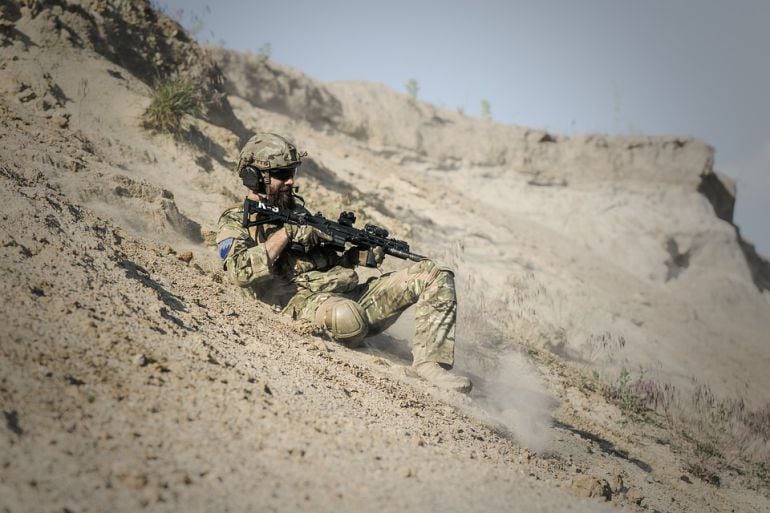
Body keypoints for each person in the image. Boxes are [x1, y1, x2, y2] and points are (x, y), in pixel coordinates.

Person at [216, 132, 472, 393]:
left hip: (348, 295)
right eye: (282, 174)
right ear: (254, 177)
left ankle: (430, 364)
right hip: (302, 303)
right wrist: (286, 233)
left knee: (435, 273)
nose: (291, 180)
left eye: (292, 172)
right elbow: (240, 271)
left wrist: (353, 257)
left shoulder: (298, 213)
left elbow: (320, 263)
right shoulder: (235, 221)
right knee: (347, 317)